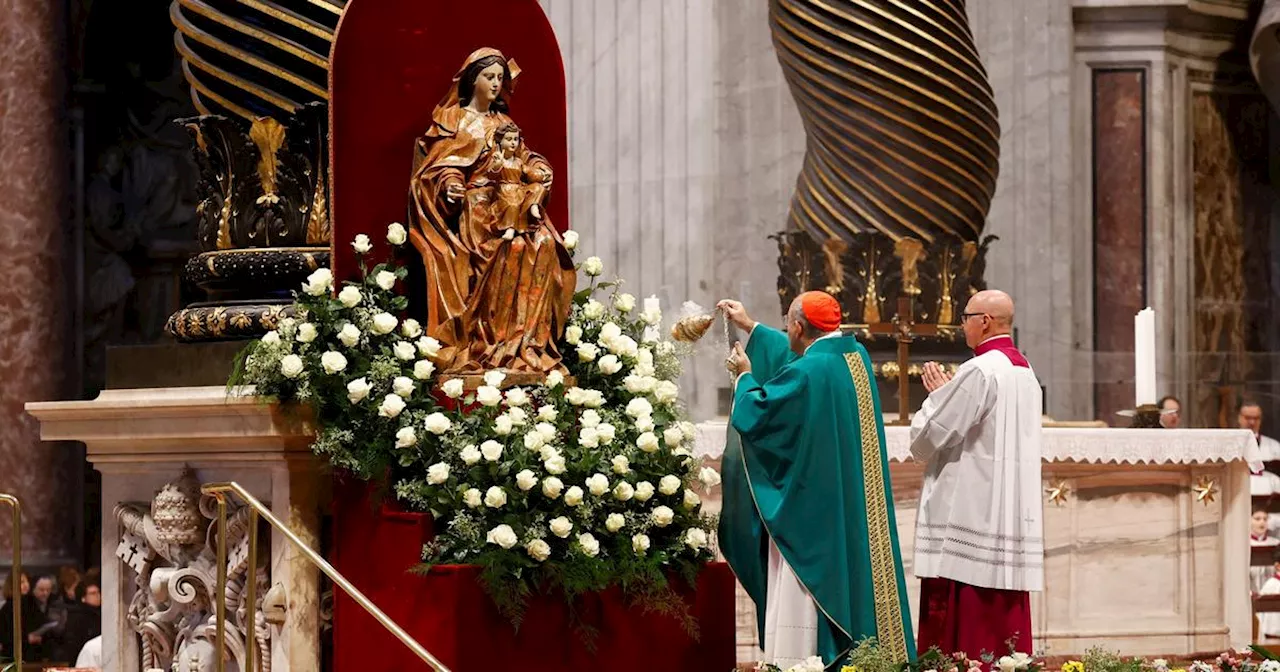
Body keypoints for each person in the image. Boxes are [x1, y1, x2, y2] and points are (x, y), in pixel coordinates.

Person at [717, 292, 915, 669]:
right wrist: (751, 327)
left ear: (798, 326)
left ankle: (803, 660)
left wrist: (744, 376)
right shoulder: (852, 357)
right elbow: (798, 360)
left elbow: (758, 412)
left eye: (786, 324)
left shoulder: (810, 373)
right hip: (844, 499)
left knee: (805, 589)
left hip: (811, 513)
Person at [407, 48, 574, 374]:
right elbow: (441, 166)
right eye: (489, 77)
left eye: (500, 77)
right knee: (506, 248)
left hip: (511, 204)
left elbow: (524, 158)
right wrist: (451, 185)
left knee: (544, 245)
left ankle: (525, 343)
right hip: (479, 210)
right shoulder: (455, 121)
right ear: (472, 80)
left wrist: (540, 168)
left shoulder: (504, 122)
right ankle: (486, 343)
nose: (496, 84)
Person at [909, 289, 1044, 659]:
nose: (962, 325)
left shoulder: (980, 370)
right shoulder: (1024, 370)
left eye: (966, 316)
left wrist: (937, 397)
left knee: (963, 607)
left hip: (971, 507)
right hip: (1006, 508)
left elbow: (931, 436)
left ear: (984, 321)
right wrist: (949, 395)